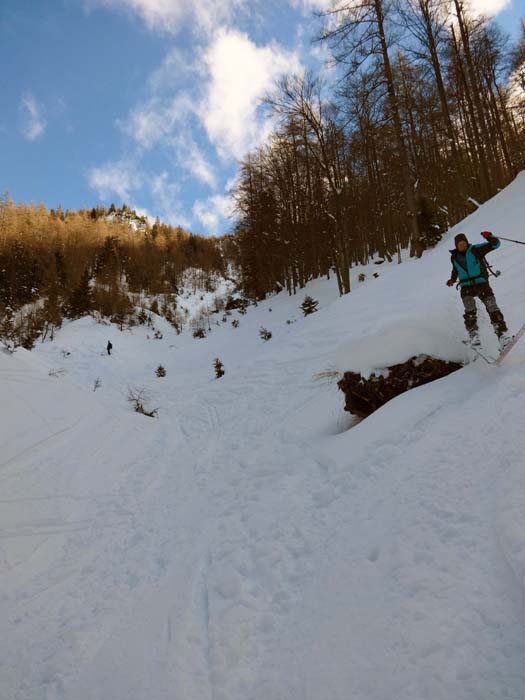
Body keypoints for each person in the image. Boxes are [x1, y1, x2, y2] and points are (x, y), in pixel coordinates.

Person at [447, 231, 510, 350]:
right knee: (469, 310)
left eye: (463, 243)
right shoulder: (454, 257)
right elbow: (455, 270)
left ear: (466, 242)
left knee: (492, 307)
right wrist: (452, 279)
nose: (462, 245)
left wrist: (490, 237)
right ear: (456, 246)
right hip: (466, 286)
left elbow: (495, 245)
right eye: (459, 244)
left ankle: (502, 336)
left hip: (481, 283)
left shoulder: (476, 250)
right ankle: (474, 336)